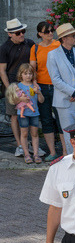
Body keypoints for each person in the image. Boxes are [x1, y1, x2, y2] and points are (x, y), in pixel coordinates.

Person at [46, 23, 75, 153]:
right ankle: (73, 163)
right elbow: (55, 79)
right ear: (64, 38)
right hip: (64, 102)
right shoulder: (53, 55)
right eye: (74, 35)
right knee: (69, 135)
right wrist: (73, 93)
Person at [3, 18, 36, 156]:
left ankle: (32, 144)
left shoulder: (30, 43)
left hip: (29, 82)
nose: (22, 34)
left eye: (23, 31)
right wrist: (10, 89)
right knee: (15, 116)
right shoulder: (4, 48)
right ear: (10, 34)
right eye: (18, 33)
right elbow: (1, 70)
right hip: (13, 84)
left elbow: (34, 64)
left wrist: (34, 82)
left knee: (31, 112)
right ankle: (20, 145)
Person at [29, 20, 61, 160]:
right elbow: (33, 69)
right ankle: (52, 152)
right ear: (40, 34)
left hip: (58, 87)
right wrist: (35, 85)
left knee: (61, 119)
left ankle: (66, 151)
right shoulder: (35, 48)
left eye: (51, 30)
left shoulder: (58, 45)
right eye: (47, 31)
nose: (50, 33)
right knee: (46, 120)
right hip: (42, 87)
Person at [7, 63, 43, 162]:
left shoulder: (35, 86)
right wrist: (20, 99)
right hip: (23, 114)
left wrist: (39, 93)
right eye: (25, 73)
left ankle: (36, 154)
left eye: (30, 74)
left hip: (34, 113)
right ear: (21, 74)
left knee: (35, 134)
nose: (28, 76)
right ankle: (26, 154)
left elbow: (41, 100)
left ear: (33, 75)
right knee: (24, 133)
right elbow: (13, 101)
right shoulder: (18, 86)